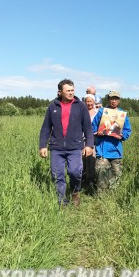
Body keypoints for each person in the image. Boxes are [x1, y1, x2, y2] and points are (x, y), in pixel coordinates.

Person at [39, 79, 93, 207]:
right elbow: (46, 128)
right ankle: (61, 200)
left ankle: (75, 191)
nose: (70, 93)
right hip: (56, 147)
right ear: (60, 92)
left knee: (75, 172)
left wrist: (89, 145)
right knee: (57, 174)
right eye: (67, 90)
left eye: (72, 90)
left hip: (75, 146)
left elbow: (88, 128)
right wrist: (42, 146)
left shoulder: (80, 106)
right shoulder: (53, 106)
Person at [92, 90, 132, 191]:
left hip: (116, 150)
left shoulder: (122, 114)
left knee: (116, 174)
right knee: (101, 173)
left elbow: (127, 130)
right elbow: (93, 126)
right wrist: (97, 132)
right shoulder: (102, 112)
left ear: (118, 100)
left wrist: (122, 136)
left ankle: (113, 196)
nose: (113, 101)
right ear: (108, 99)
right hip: (102, 149)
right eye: (111, 98)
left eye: (116, 99)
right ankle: (101, 197)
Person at [82, 94, 98, 187]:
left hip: (94, 140)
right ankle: (83, 180)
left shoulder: (97, 112)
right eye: (87, 101)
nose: (89, 103)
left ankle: (91, 181)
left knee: (92, 159)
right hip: (82, 139)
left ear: (94, 102)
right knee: (82, 159)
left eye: (90, 101)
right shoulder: (82, 111)